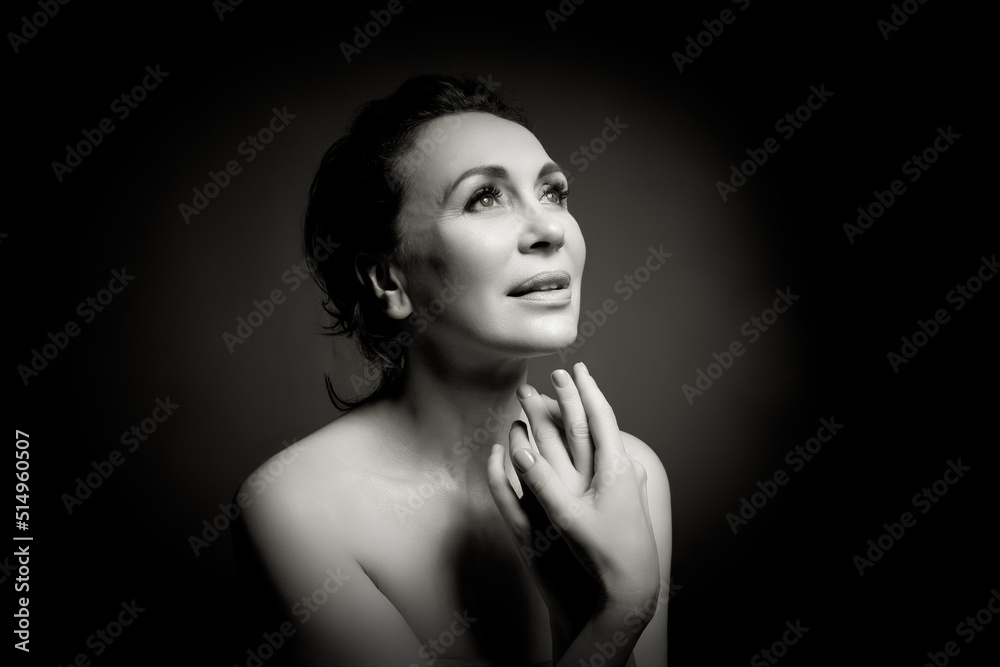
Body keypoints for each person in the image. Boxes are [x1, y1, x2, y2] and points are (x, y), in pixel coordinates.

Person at [233, 74, 672, 667]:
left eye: (554, 193)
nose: (549, 230)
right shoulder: (297, 506)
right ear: (388, 280)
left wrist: (580, 622)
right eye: (484, 197)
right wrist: (621, 609)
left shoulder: (629, 475)